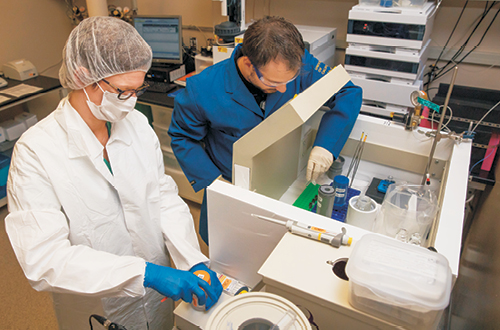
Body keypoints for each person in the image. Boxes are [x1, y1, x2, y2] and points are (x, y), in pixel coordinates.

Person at [5, 16, 222, 330]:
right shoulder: (35, 153)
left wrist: (193, 260)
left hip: (157, 298)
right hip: (97, 306)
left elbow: (161, 196)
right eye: (123, 91)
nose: (132, 102)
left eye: (138, 89)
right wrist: (144, 274)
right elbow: (44, 260)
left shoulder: (136, 125)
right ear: (83, 77)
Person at [168, 16, 362, 244]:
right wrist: (215, 182)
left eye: (290, 81)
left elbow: (348, 92)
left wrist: (326, 146)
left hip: (282, 181)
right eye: (272, 83)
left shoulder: (296, 63)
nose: (283, 89)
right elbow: (182, 137)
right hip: (231, 187)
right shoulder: (203, 88)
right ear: (249, 64)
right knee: (230, 256)